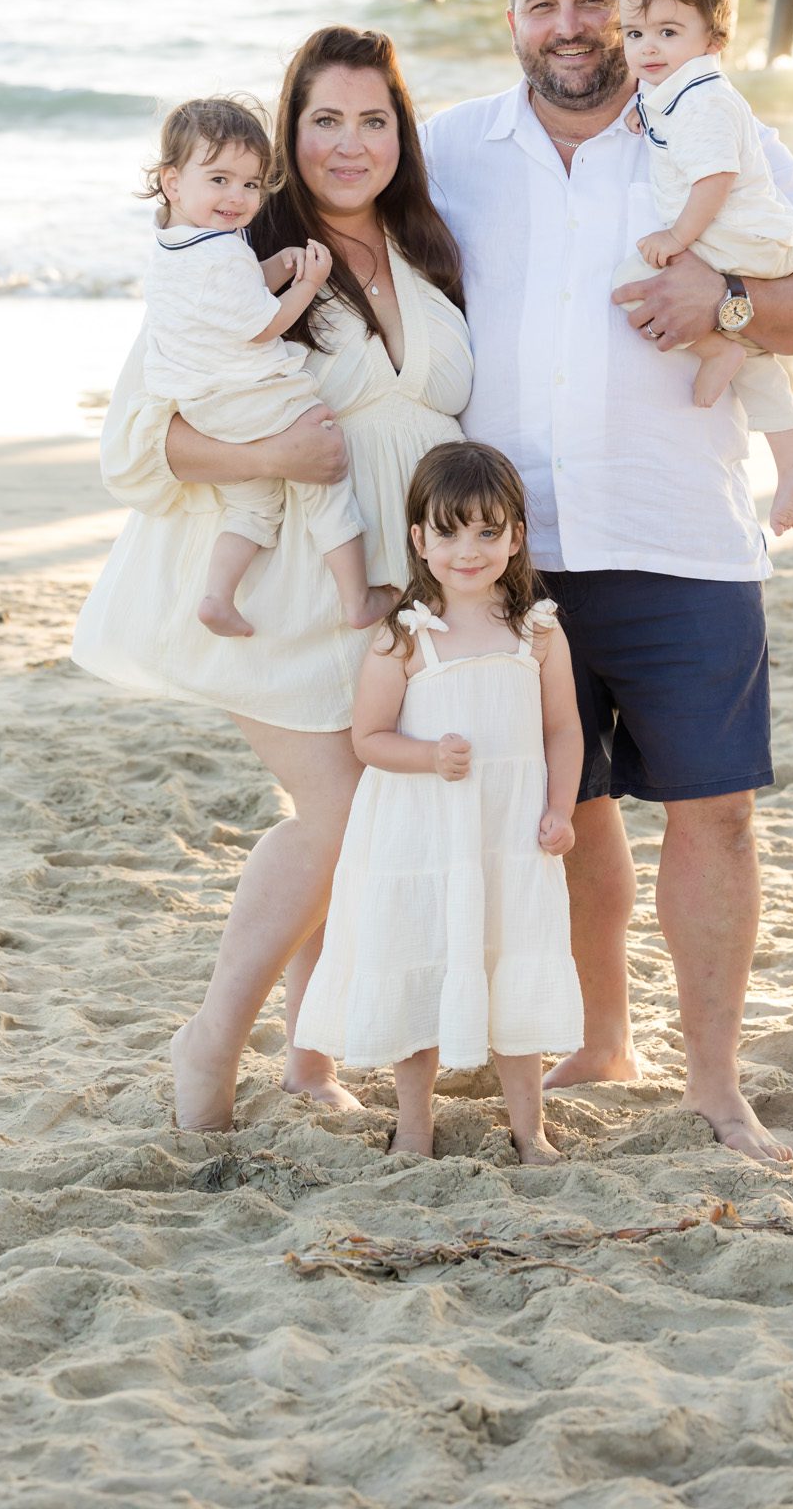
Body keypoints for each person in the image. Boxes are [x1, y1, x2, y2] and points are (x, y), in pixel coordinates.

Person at [422, 0, 793, 1164]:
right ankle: (604, 1035)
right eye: (543, 3)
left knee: (712, 811)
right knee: (576, 805)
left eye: (594, 1)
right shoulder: (454, 148)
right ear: (510, 19)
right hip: (513, 552)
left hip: (682, 537)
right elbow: (339, 225)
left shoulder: (712, 125)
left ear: (632, 11)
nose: (570, 24)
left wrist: (721, 299)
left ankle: (715, 1083)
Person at [72, 26, 472, 1132]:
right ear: (290, 134)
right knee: (341, 810)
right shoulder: (238, 254)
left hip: (395, 590)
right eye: (326, 119)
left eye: (375, 118)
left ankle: (311, 1056)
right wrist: (274, 457)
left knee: (369, 814)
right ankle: (211, 1037)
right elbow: (146, 443)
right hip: (289, 583)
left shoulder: (432, 251)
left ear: (403, 131)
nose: (352, 142)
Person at [295, 441, 583, 1164]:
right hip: (423, 837)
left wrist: (561, 809)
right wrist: (425, 756)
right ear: (419, 539)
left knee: (511, 965)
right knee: (420, 959)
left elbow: (563, 728)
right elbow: (368, 738)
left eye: (488, 532)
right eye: (449, 532)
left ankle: (529, 1128)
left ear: (516, 537)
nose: (469, 550)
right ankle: (414, 1123)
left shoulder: (537, 632)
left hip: (508, 835)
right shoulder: (406, 637)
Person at [139, 94, 393, 637]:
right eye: (220, 180)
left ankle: (217, 597)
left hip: (205, 405)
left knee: (254, 504)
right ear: (172, 181)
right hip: (254, 397)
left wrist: (275, 265)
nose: (238, 197)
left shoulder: (173, 244)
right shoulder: (223, 255)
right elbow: (262, 325)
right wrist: (306, 283)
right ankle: (358, 599)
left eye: (251, 184)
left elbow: (228, 294)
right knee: (326, 479)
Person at [615, 0, 793, 536]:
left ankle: (712, 346)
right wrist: (640, 116)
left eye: (668, 32)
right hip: (754, 240)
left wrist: (676, 237)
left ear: (714, 40)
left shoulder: (705, 101)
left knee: (629, 284)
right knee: (759, 359)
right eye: (633, 34)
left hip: (743, 238)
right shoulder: (671, 90)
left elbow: (714, 177)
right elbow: (663, 119)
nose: (646, 48)